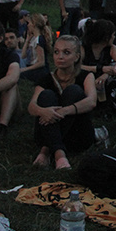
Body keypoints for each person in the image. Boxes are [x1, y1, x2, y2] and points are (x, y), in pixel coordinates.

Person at [28, 35, 97, 170]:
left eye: (66, 52)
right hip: (47, 132)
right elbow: (31, 106)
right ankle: (59, 154)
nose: (60, 56)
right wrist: (44, 111)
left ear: (76, 57)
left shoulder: (85, 76)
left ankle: (46, 150)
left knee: (74, 91)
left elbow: (91, 101)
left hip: (76, 135)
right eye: (56, 52)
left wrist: (64, 111)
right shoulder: (46, 79)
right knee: (46, 95)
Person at [81, 19, 116, 109]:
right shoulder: (83, 48)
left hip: (103, 79)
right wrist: (99, 69)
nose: (114, 37)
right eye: (113, 35)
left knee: (115, 77)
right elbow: (76, 66)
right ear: (106, 37)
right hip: (87, 77)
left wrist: (106, 74)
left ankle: (108, 105)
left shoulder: (112, 48)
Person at [20, 13, 52, 84]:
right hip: (33, 67)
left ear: (33, 24)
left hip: (39, 70)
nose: (28, 25)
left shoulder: (39, 39)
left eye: (29, 23)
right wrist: (27, 40)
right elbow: (23, 55)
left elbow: (41, 62)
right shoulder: (33, 38)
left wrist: (25, 69)